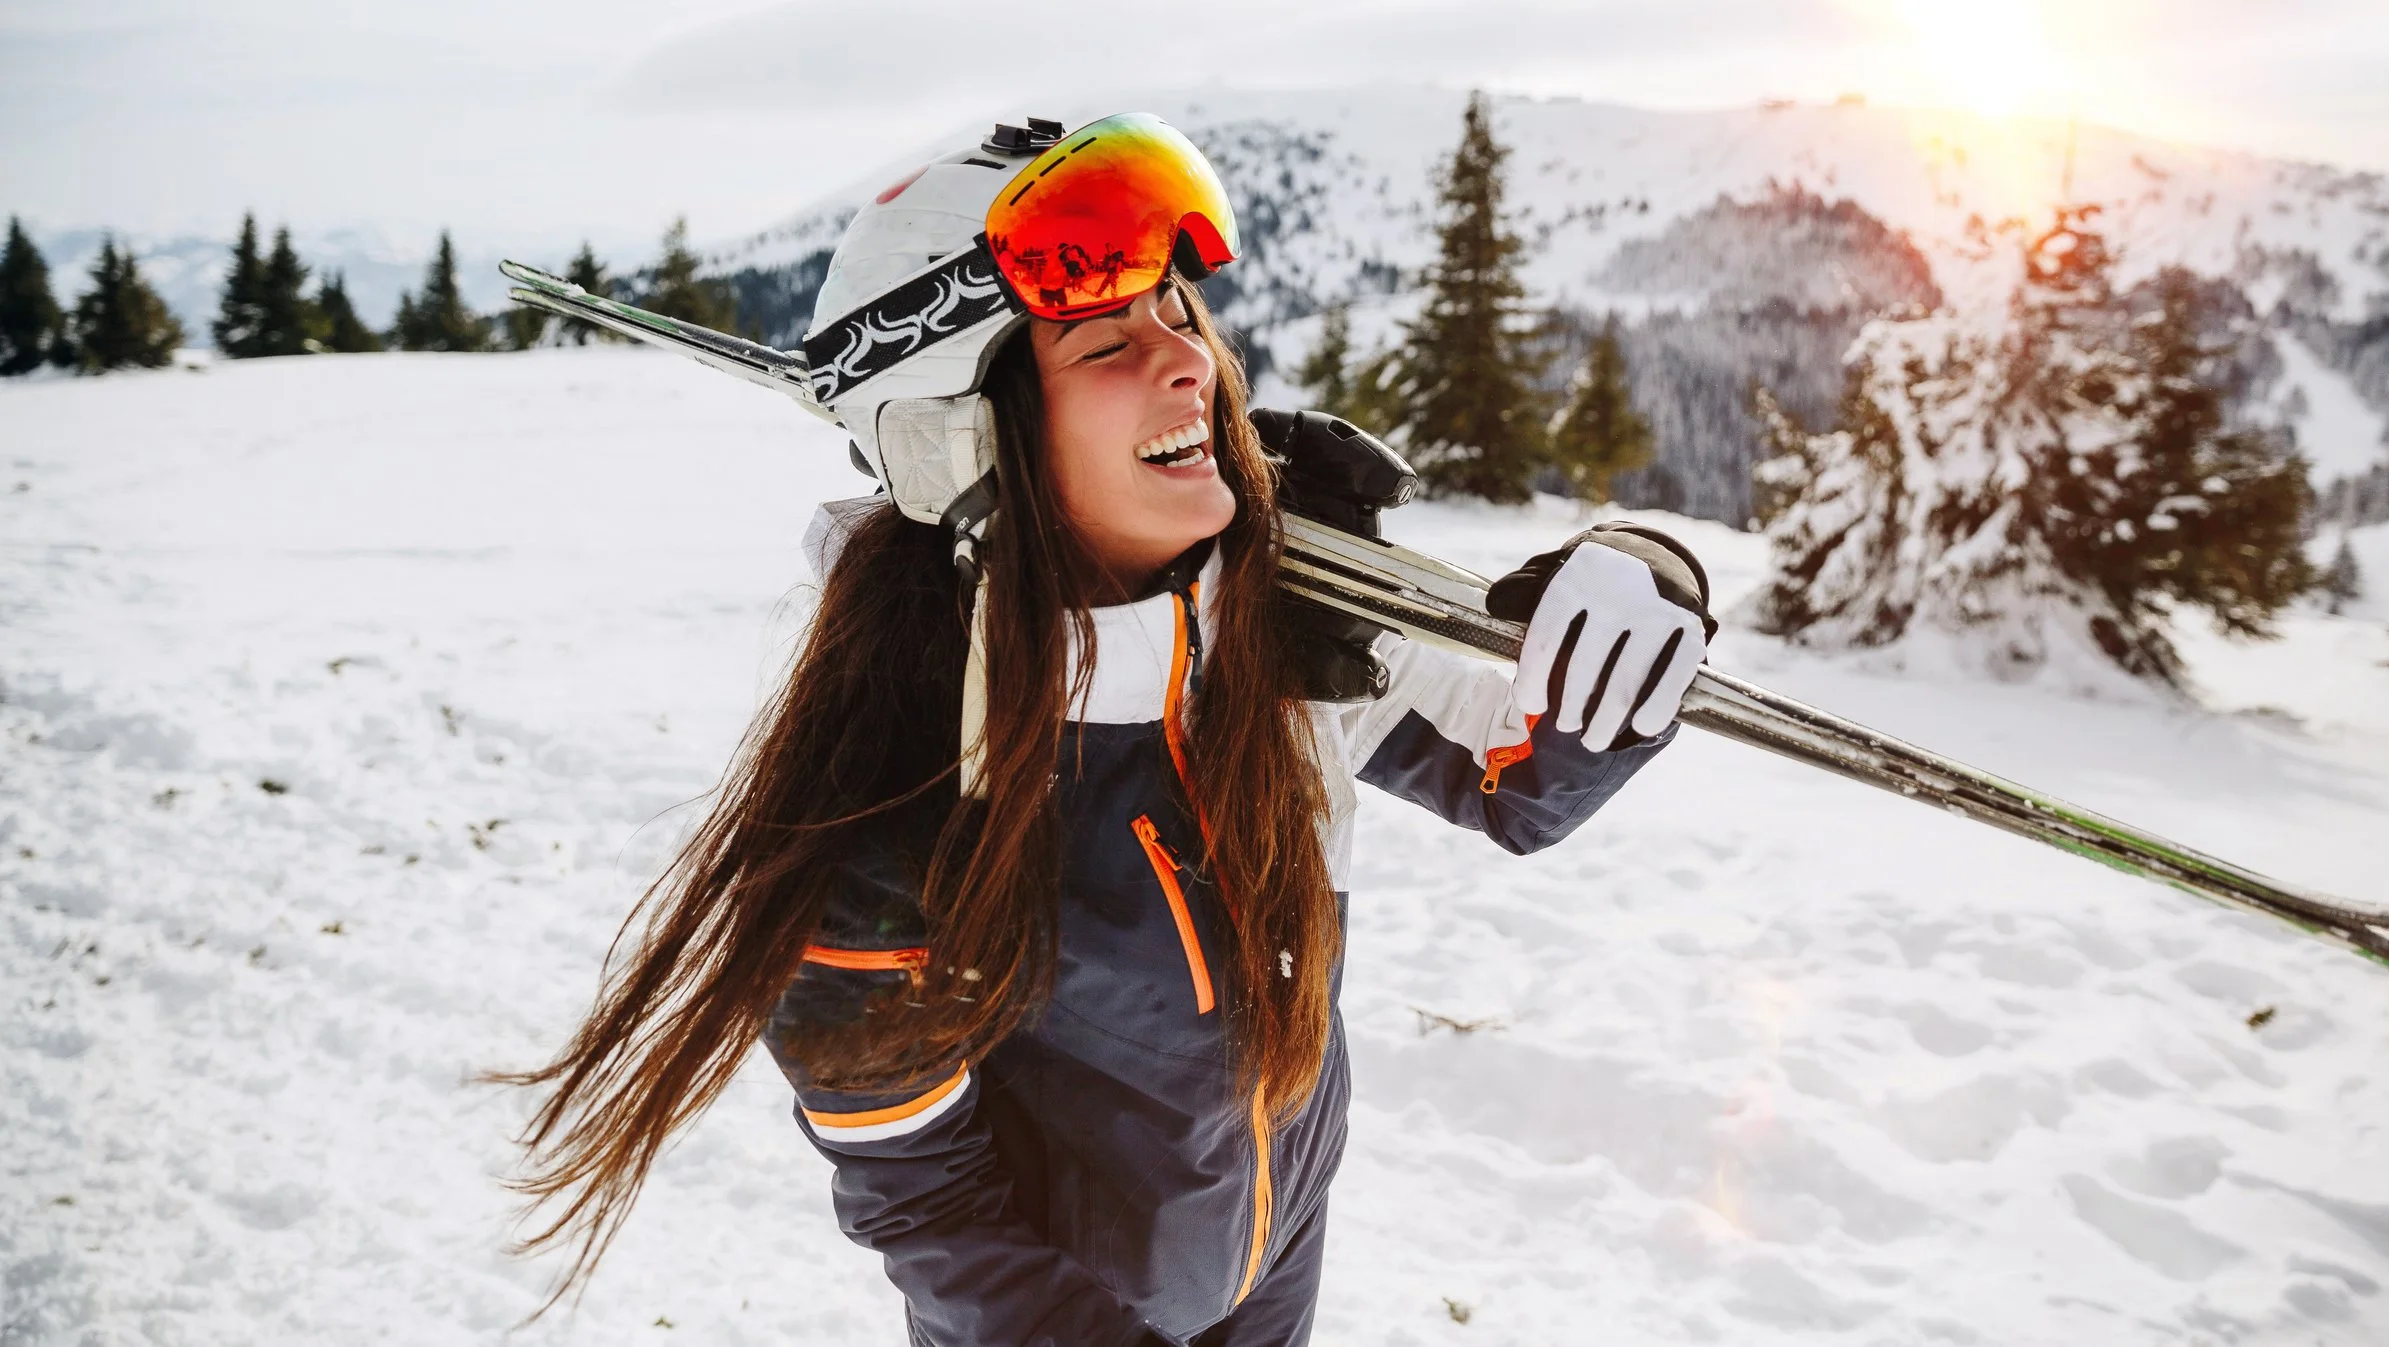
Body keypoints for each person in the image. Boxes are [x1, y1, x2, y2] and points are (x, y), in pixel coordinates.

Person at [497, 114, 1713, 1345]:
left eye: (1179, 314)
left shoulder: (1278, 634)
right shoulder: (887, 797)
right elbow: (927, 1203)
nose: (1189, 363)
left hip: (1276, 1259)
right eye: (1102, 342)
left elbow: (1518, 780)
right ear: (968, 439)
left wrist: (1641, 583)